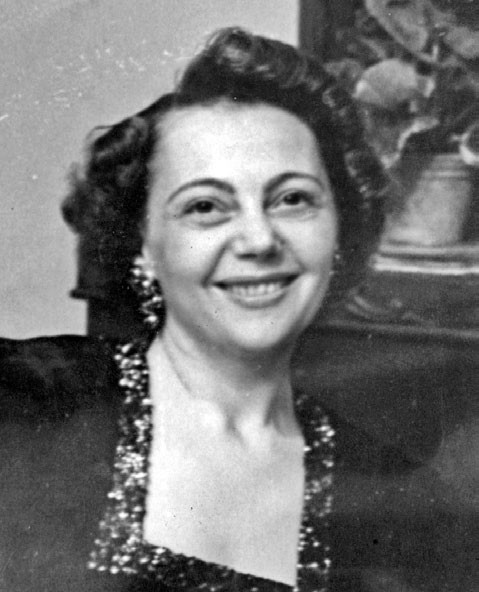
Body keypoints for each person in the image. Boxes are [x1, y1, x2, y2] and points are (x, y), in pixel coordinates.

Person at [2, 27, 474, 592]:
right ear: (143, 245)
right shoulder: (28, 403)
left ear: (340, 229)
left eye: (293, 199)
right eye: (206, 206)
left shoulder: (402, 502)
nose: (259, 239)